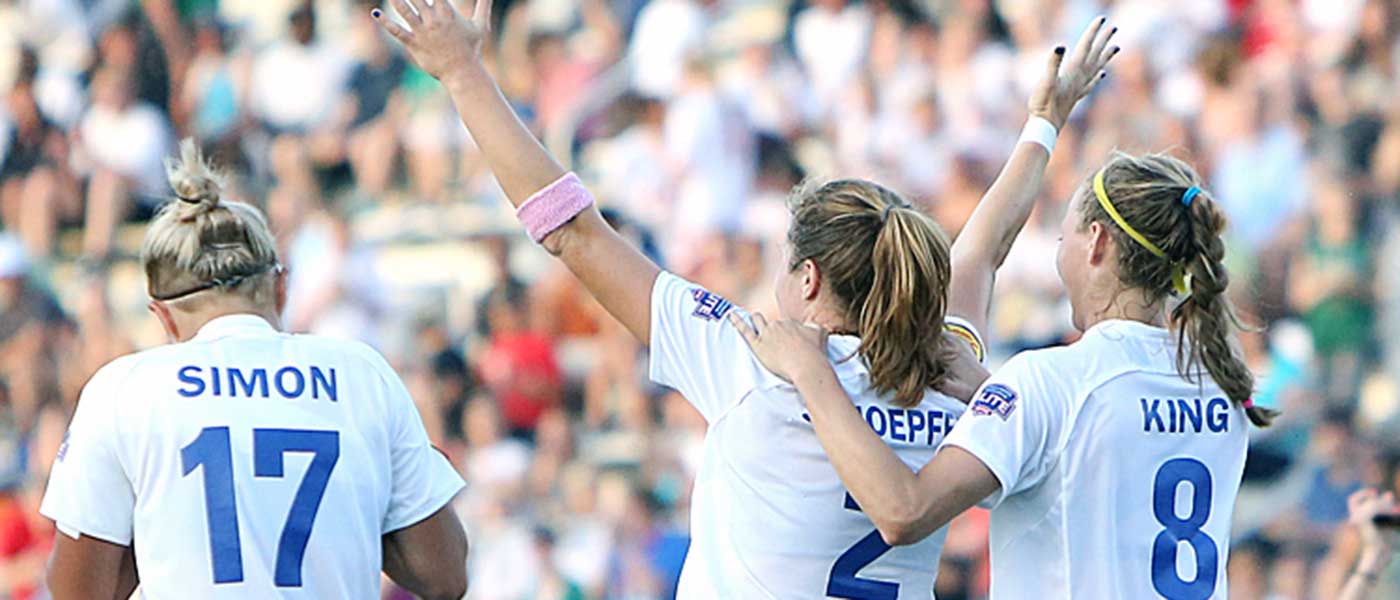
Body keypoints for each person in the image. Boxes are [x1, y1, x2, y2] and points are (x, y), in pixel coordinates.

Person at [372, 1, 1112, 596]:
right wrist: (1045, 121)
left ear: (811, 280)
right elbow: (981, 251)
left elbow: (572, 232)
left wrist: (464, 74)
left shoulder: (752, 359)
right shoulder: (946, 377)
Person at [735, 149, 1278, 598]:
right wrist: (991, 395)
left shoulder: (1053, 381)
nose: (1060, 252)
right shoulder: (1222, 388)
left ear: (1097, 242)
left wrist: (812, 374)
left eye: (1064, 237)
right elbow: (1094, 464)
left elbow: (905, 511)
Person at [39, 140, 469, 600]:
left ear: (162, 315)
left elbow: (76, 593)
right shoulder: (361, 373)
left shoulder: (124, 389)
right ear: (280, 287)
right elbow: (444, 574)